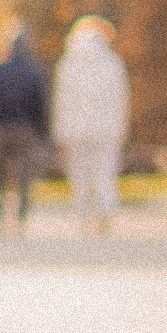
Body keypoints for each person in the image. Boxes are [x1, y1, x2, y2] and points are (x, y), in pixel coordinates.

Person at [51, 15, 131, 231]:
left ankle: (83, 215)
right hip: (107, 129)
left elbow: (62, 101)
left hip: (75, 130)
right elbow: (120, 101)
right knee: (105, 174)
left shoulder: (67, 64)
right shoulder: (113, 64)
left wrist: (60, 132)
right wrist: (121, 129)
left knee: (79, 175)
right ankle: (105, 213)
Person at [0, 28, 50, 229]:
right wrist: (41, 131)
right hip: (26, 128)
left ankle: (0, 214)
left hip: (2, 127)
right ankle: (21, 215)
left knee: (1, 174)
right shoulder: (35, 71)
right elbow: (41, 104)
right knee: (24, 175)